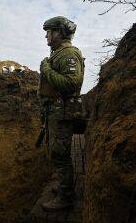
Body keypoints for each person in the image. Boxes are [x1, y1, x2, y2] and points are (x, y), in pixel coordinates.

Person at [38, 16, 85, 212]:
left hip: (63, 113)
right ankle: (63, 188)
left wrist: (46, 69)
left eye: (49, 32)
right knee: (57, 153)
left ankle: (66, 197)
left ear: (59, 32)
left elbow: (72, 83)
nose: (47, 36)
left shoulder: (68, 54)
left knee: (61, 155)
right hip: (56, 113)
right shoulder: (58, 54)